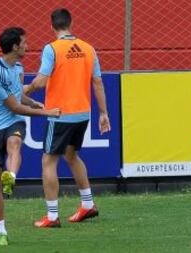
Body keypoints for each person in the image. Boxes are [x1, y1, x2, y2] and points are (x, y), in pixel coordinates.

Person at [24, 8, 111, 228]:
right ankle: (88, 204)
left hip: (60, 115)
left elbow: (41, 81)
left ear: (51, 26)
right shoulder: (88, 48)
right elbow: (98, 82)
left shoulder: (51, 49)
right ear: (71, 23)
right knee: (72, 155)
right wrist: (103, 113)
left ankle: (52, 216)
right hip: (82, 114)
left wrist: (25, 91)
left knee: (48, 160)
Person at [0, 27, 61, 246]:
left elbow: (18, 96)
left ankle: (13, 177)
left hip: (12, 123)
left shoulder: (19, 67)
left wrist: (33, 101)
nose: (28, 45)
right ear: (15, 46)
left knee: (15, 142)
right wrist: (44, 112)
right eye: (24, 43)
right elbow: (14, 105)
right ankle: (1, 231)